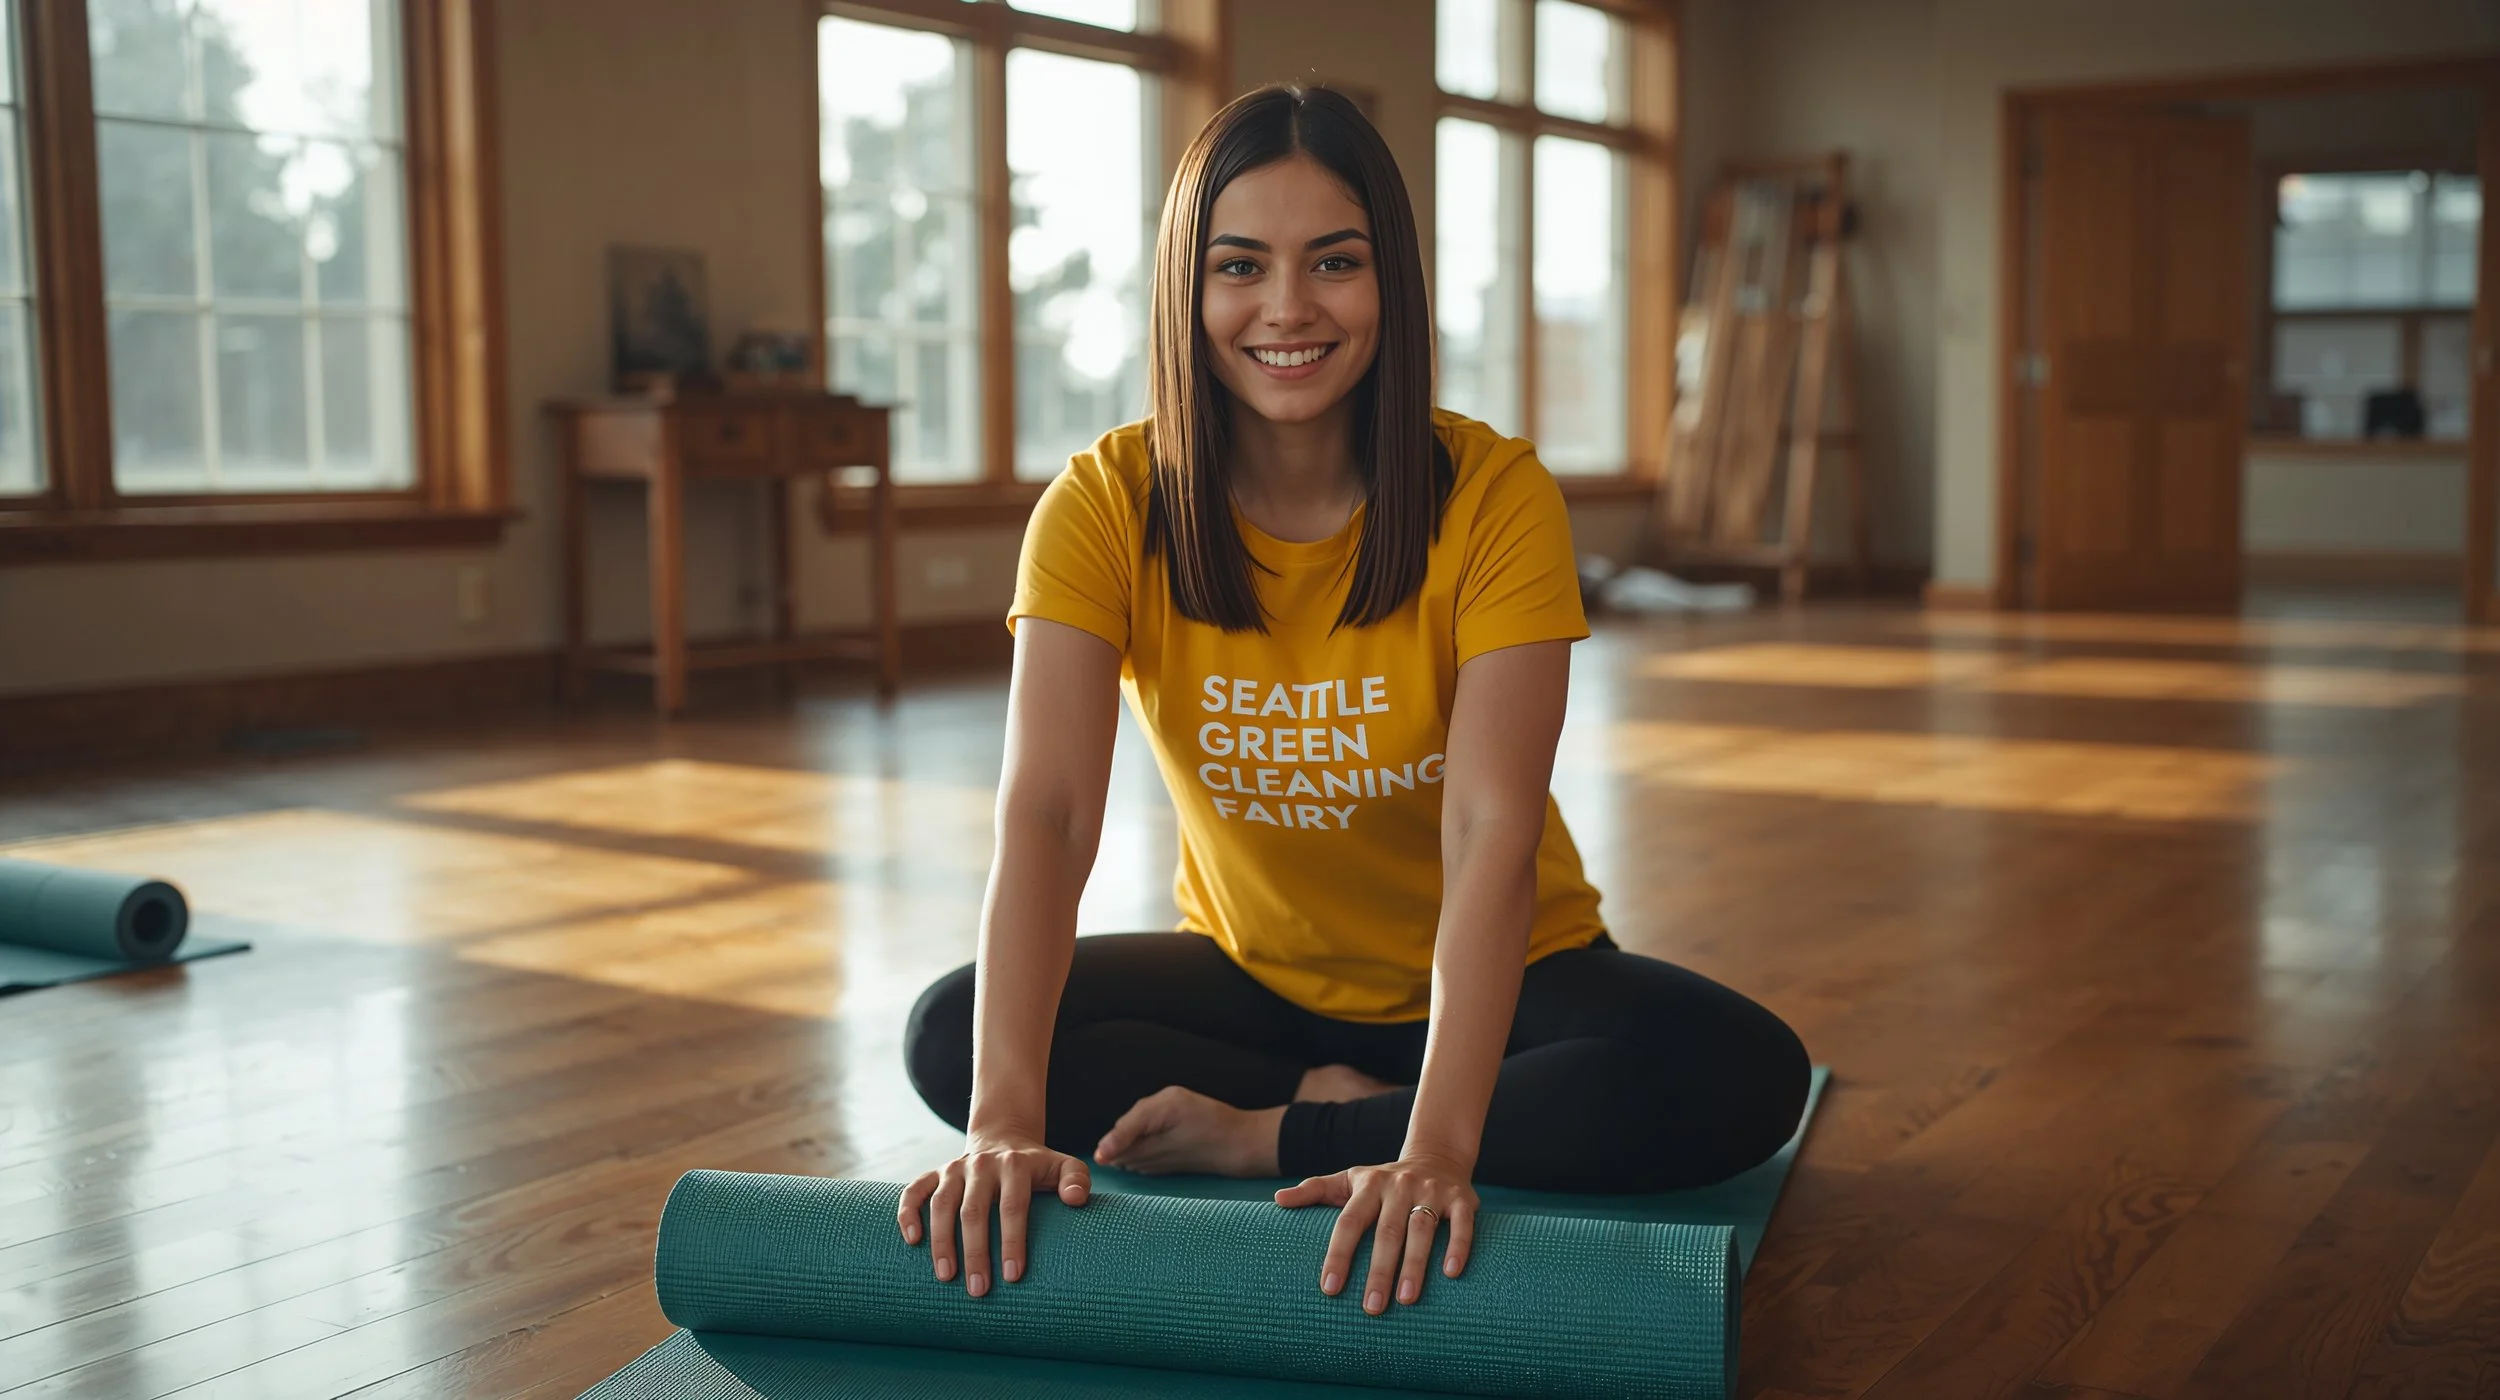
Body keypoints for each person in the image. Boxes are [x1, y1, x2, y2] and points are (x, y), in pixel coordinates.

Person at [898, 83, 1808, 1319]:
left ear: (1393, 282)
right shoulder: (1105, 502)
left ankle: (1275, 1128)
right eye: (1240, 266)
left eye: (1334, 261)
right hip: (1253, 976)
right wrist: (1003, 1123)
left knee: (1743, 1076)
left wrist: (1427, 1148)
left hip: (1507, 971)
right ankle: (1331, 1095)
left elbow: (1492, 827)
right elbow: (1049, 812)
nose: (1286, 308)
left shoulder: (1495, 498)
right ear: (1187, 288)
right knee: (956, 1037)